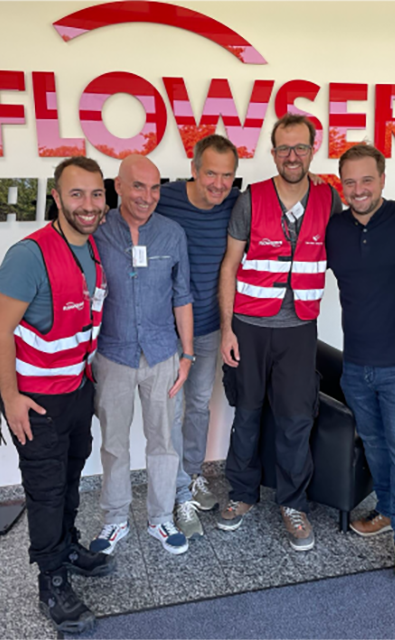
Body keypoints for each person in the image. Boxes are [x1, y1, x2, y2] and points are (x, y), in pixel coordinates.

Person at [0, 157, 113, 634]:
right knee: (44, 491)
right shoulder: (29, 255)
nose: (88, 205)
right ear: (57, 198)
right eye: (76, 194)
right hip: (35, 398)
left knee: (69, 476)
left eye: (96, 194)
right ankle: (52, 580)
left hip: (75, 389)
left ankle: (67, 545)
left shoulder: (93, 250)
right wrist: (11, 398)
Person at [217, 113, 342, 551]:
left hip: (299, 330)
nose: (292, 156)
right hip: (249, 328)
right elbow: (229, 267)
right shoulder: (250, 199)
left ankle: (293, 503)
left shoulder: (330, 200)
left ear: (313, 149)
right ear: (272, 153)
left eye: (301, 147)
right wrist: (228, 329)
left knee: (295, 419)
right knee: (247, 413)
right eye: (284, 148)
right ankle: (240, 494)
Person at [326, 144, 395, 579]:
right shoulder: (335, 229)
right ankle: (386, 510)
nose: (358, 189)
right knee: (376, 445)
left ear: (383, 179)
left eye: (367, 180)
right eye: (349, 182)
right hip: (356, 364)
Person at [90, 155, 195, 556]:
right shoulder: (97, 234)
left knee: (164, 442)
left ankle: (160, 518)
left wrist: (186, 356)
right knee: (114, 443)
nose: (147, 197)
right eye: (138, 186)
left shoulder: (172, 234)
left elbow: (182, 297)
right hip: (112, 354)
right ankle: (115, 519)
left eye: (154, 188)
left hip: (163, 354)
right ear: (118, 186)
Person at [156, 135, 240, 539]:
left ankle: (192, 476)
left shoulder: (234, 205)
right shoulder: (165, 198)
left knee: (200, 407)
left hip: (207, 326)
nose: (219, 185)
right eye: (211, 173)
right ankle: (175, 494)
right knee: (170, 413)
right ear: (194, 169)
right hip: (164, 332)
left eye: (227, 176)